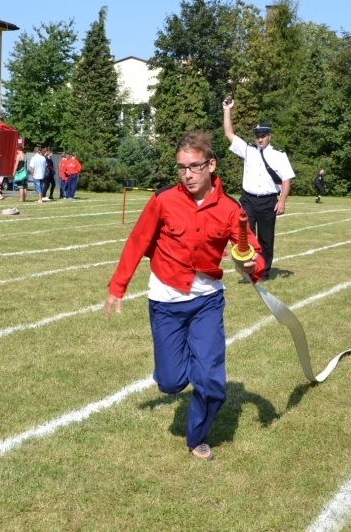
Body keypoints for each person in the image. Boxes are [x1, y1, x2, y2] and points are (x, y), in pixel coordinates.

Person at [104, 131, 265, 461]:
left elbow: (253, 254)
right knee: (171, 382)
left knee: (210, 381)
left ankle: (197, 435)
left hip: (207, 301)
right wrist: (117, 287)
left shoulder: (232, 210)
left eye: (194, 166)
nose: (188, 174)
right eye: (181, 168)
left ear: (211, 165)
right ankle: (194, 363)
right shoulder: (163, 200)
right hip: (165, 302)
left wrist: (252, 264)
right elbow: (137, 241)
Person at [223, 99, 294, 282]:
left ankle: (264, 271)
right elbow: (229, 133)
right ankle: (248, 271)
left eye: (263, 135)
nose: (260, 138)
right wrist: (227, 110)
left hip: (269, 200)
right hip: (248, 199)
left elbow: (286, 180)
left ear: (269, 135)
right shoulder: (248, 150)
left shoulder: (278, 155)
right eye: (257, 135)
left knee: (266, 239)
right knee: (246, 237)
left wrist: (282, 200)